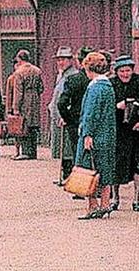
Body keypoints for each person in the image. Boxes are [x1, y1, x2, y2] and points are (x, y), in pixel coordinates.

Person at [74, 52, 117, 219]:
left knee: (88, 169)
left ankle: (92, 205)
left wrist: (87, 134)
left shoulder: (94, 87)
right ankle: (105, 204)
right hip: (108, 134)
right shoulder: (108, 86)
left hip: (94, 135)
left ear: (87, 67)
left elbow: (90, 114)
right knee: (105, 169)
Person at [112, 56, 139, 211]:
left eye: (128, 70)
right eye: (121, 71)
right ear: (116, 72)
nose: (125, 74)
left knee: (138, 164)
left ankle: (136, 199)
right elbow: (106, 107)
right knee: (117, 164)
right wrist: (117, 106)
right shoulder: (111, 84)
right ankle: (115, 198)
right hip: (119, 131)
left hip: (137, 130)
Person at [57, 48, 91, 184]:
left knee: (79, 154)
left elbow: (62, 103)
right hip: (94, 122)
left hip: (75, 123)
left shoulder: (74, 79)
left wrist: (68, 118)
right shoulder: (102, 80)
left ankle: (80, 185)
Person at [5, 49, 43, 160]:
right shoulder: (37, 70)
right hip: (35, 98)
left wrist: (15, 108)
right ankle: (33, 152)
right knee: (33, 125)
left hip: (24, 100)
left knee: (24, 125)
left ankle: (25, 151)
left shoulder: (19, 72)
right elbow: (41, 88)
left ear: (19, 59)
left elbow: (18, 92)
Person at [49, 47, 81, 183]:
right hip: (58, 115)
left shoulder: (72, 75)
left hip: (65, 117)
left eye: (63, 59)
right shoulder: (61, 75)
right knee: (62, 147)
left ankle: (69, 176)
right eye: (59, 60)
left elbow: (69, 98)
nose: (60, 62)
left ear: (70, 60)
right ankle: (65, 175)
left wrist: (64, 115)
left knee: (67, 148)